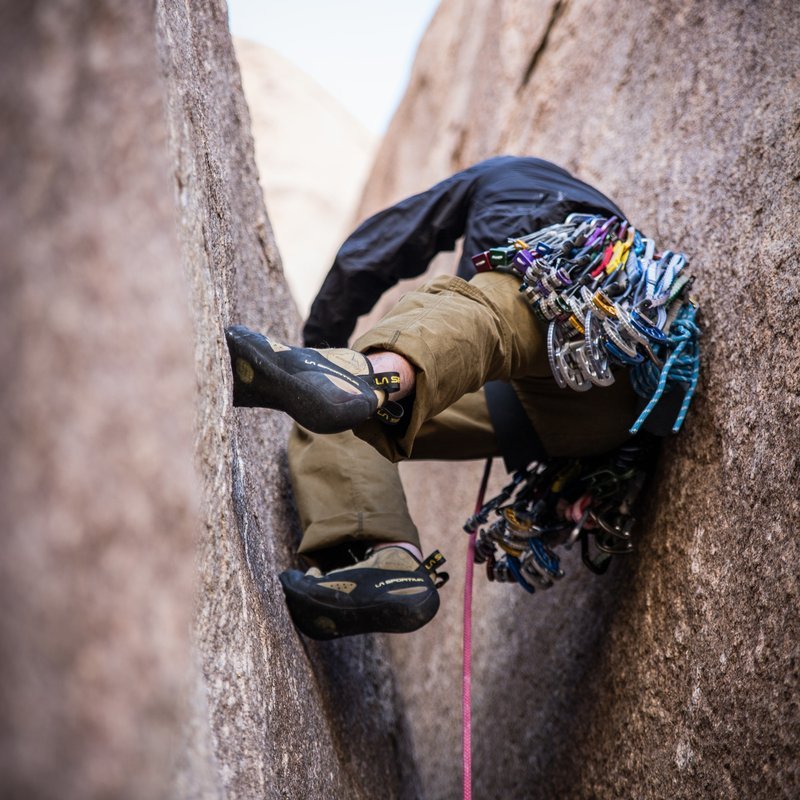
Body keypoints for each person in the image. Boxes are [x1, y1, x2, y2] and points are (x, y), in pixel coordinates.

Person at [226, 156, 640, 640]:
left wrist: (320, 344)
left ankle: (366, 375)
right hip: (593, 421)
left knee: (489, 304)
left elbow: (375, 251)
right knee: (334, 423)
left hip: (584, 336)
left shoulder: (508, 176)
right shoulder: (617, 235)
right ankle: (391, 562)